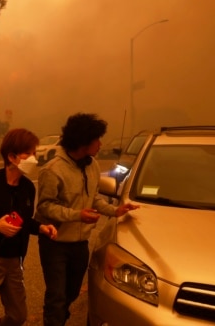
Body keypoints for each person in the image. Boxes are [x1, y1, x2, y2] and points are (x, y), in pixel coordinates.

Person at [34, 113, 140, 326]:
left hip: (80, 244)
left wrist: (115, 210)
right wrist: (77, 215)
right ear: (83, 141)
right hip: (55, 244)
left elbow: (93, 199)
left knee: (72, 292)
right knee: (56, 297)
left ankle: (58, 318)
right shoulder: (53, 170)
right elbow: (45, 207)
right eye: (97, 139)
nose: (101, 144)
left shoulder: (91, 165)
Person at [0, 128, 58, 326]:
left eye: (34, 153)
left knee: (18, 316)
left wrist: (41, 228)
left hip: (14, 261)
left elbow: (24, 220)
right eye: (29, 154)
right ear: (12, 157)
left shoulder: (28, 188)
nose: (34, 158)